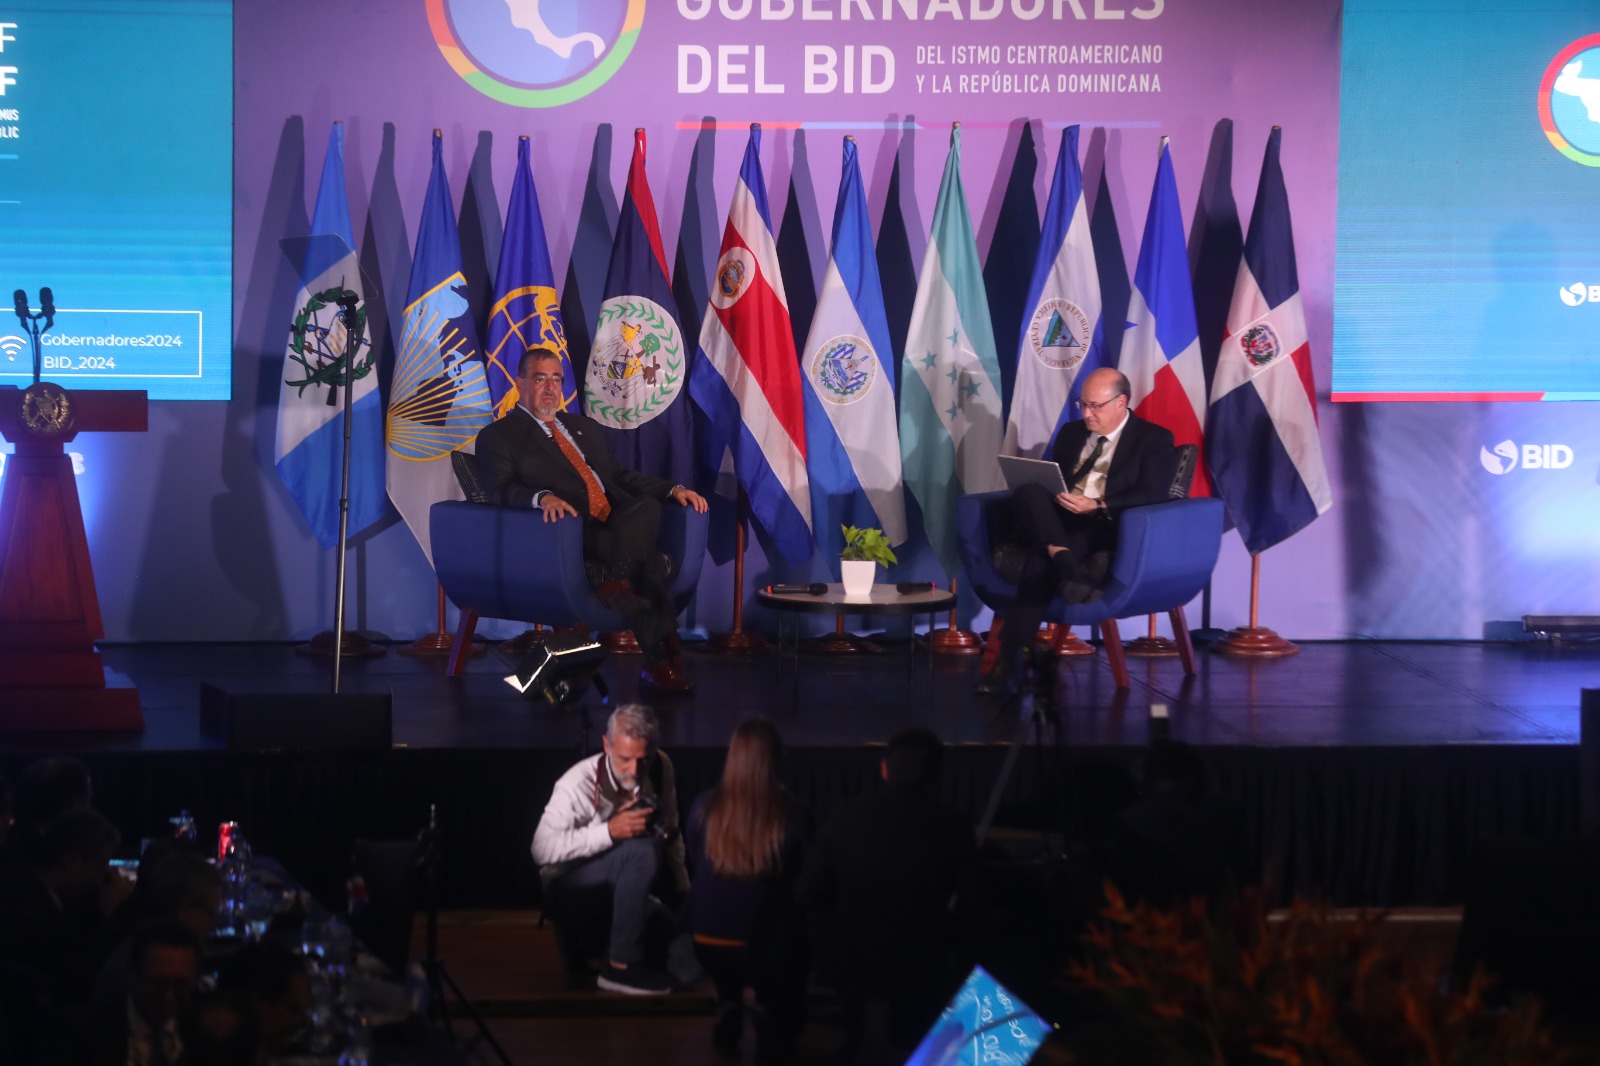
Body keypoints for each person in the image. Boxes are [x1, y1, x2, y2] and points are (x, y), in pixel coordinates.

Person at [474, 347, 708, 695]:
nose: (550, 388)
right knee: (645, 567)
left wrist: (672, 489)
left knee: (646, 506)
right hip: (568, 531)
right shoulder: (499, 435)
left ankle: (616, 583)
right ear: (520, 382)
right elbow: (499, 490)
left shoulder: (583, 427)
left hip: (618, 526)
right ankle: (660, 662)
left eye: (556, 379)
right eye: (540, 379)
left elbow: (618, 476)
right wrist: (541, 498)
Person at [981, 367, 1177, 693]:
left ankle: (1009, 661)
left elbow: (1154, 493)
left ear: (1121, 402)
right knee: (1029, 491)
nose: (1087, 414)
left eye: (1096, 406)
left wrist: (1098, 505)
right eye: (1083, 404)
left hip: (1105, 522)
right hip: (1060, 517)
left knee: (1039, 562)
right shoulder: (1072, 433)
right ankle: (1068, 566)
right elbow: (1055, 480)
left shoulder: (1154, 439)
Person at [796, 727, 978, 1062]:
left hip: (851, 962)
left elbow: (807, 894)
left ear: (884, 768)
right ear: (936, 776)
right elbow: (971, 908)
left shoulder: (843, 816)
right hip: (922, 964)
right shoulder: (954, 826)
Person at [531, 704, 688, 995]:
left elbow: (672, 830)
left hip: (625, 881)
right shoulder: (577, 783)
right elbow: (540, 849)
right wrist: (609, 831)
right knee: (640, 850)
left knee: (687, 964)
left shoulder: (660, 766)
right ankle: (620, 967)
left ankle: (615, 940)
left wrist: (681, 891)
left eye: (643, 759)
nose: (634, 770)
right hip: (569, 887)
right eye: (624, 759)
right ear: (606, 744)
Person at [684, 717, 811, 1059]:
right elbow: (803, 882)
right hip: (763, 947)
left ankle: (729, 1004)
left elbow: (698, 863)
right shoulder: (793, 813)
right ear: (778, 761)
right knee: (788, 916)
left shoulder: (703, 808)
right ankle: (774, 1015)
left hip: (705, 941)